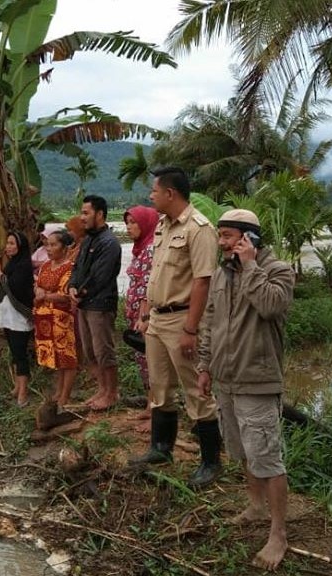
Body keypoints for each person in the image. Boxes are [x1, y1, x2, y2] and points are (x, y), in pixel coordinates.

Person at [196, 208, 295, 570]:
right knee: (242, 450)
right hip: (225, 378)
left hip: (257, 379)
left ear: (247, 238)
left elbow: (270, 305)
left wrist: (251, 265)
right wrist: (205, 365)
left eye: (226, 235)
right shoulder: (223, 274)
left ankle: (278, 532)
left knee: (267, 457)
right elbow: (210, 321)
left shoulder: (278, 270)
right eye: (220, 235)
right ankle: (254, 506)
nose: (220, 242)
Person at [130, 166, 222, 489]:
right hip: (157, 318)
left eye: (154, 191)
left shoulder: (199, 229)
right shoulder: (162, 227)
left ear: (170, 194)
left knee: (196, 390)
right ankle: (161, 448)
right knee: (160, 387)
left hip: (182, 319)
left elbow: (202, 281)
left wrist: (191, 329)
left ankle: (211, 462)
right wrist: (146, 311)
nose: (150, 195)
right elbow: (156, 273)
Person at [68, 195, 122, 411]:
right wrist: (72, 285)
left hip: (100, 304)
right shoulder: (88, 239)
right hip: (84, 304)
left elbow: (100, 276)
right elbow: (76, 267)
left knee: (104, 351)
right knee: (90, 350)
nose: (82, 217)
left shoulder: (109, 243)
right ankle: (101, 389)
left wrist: (80, 292)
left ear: (99, 214)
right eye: (82, 212)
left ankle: (112, 393)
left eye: (86, 213)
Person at [0, 231, 35, 407]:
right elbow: (5, 282)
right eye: (7, 243)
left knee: (19, 353)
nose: (8, 247)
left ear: (20, 246)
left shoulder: (24, 265)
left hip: (19, 317)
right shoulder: (12, 264)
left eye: (12, 243)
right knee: (14, 352)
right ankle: (17, 387)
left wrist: (0, 273)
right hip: (8, 315)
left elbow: (15, 286)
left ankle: (23, 392)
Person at [123, 205, 159, 426]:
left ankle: (156, 408)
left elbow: (148, 286)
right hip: (136, 314)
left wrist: (143, 316)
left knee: (151, 360)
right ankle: (149, 403)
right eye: (127, 223)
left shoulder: (151, 250)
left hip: (145, 316)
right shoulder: (140, 249)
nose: (128, 227)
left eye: (133, 222)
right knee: (142, 359)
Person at [33, 229, 78, 406]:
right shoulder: (45, 265)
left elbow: (64, 296)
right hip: (44, 319)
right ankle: (58, 392)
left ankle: (65, 395)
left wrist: (44, 295)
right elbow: (37, 286)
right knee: (56, 359)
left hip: (61, 320)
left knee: (67, 358)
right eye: (47, 245)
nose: (49, 249)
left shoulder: (70, 268)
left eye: (53, 245)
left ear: (65, 247)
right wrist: (39, 292)